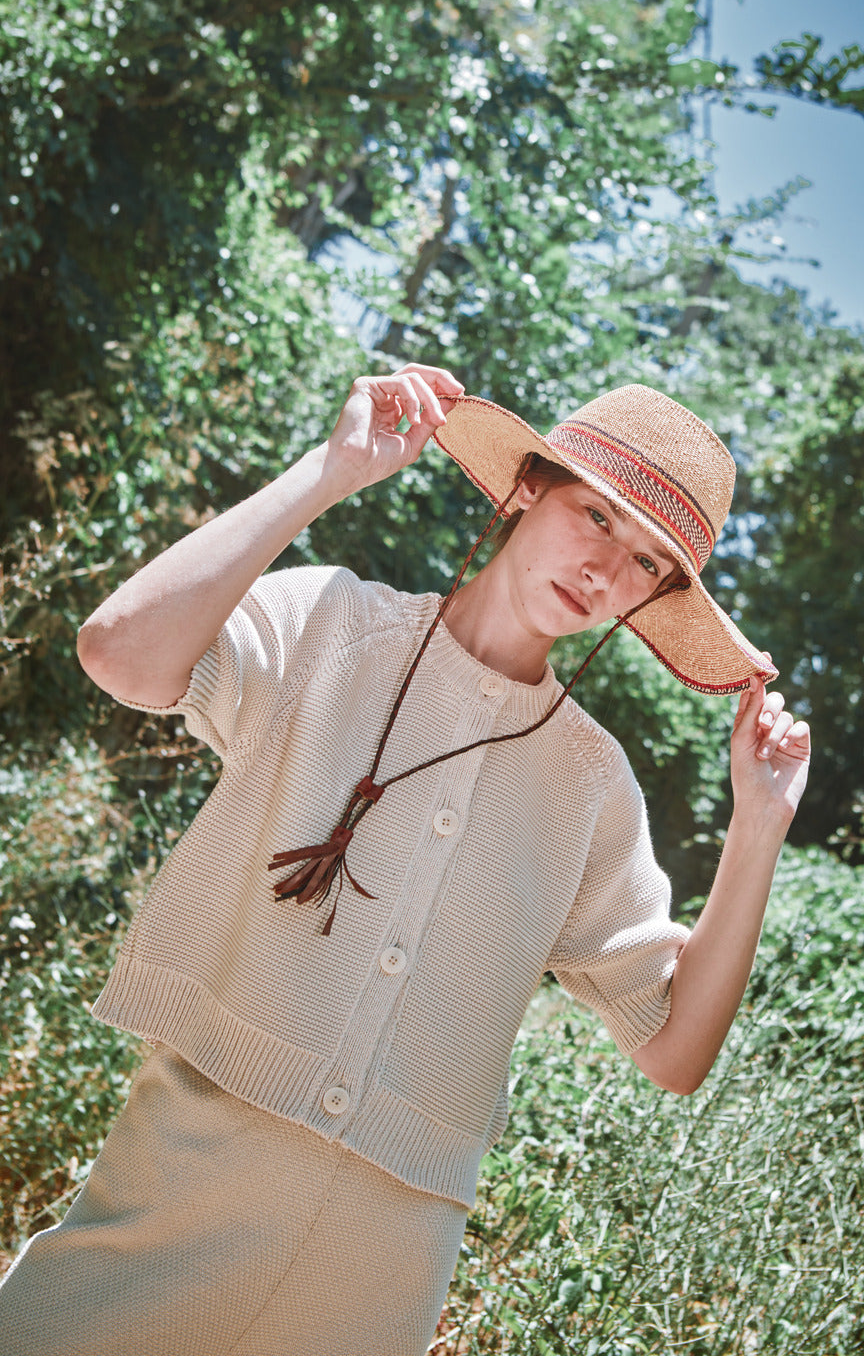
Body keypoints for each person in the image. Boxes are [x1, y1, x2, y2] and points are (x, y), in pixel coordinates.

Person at [0, 363, 810, 1356]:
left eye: (645, 562)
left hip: (381, 1260)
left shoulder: (592, 785)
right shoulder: (333, 623)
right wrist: (328, 472)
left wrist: (757, 826)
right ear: (526, 486)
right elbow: (119, 653)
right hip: (187, 1170)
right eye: (595, 516)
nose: (605, 569)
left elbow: (675, 1051)